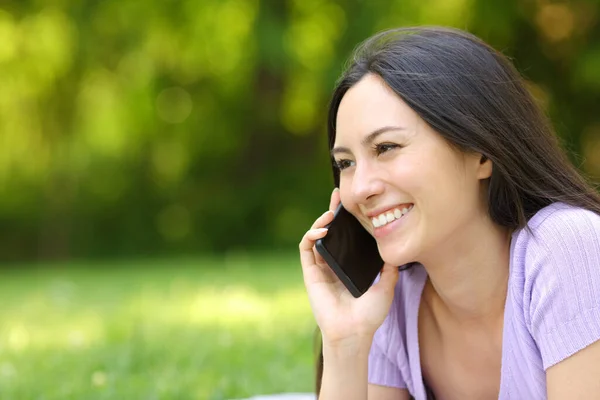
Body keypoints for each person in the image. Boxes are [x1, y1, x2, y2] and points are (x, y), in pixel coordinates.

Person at [299, 26, 600, 400]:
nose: (359, 189)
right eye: (345, 162)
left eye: (386, 147)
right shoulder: (387, 300)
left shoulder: (566, 246)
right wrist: (345, 341)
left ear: (482, 153)